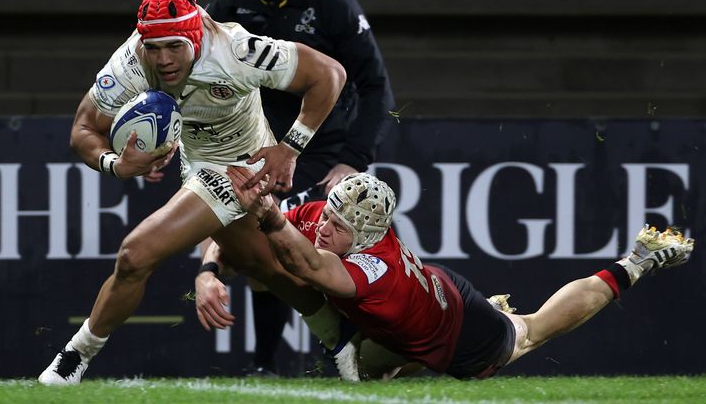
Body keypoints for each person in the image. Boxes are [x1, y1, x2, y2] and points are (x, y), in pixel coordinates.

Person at [37, 0, 349, 385]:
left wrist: (289, 149)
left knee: (135, 254)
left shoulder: (236, 50)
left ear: (196, 36)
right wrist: (118, 164)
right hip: (196, 160)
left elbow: (330, 74)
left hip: (241, 167)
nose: (163, 59)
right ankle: (341, 337)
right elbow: (82, 129)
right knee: (264, 266)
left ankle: (74, 357)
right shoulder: (131, 62)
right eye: (153, 48)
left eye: (174, 46)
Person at [198, 168, 695, 380]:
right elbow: (245, 229)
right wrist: (210, 268)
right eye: (326, 217)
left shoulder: (375, 267)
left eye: (337, 225)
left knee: (532, 331)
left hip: (464, 335)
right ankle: (360, 346)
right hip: (431, 295)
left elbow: (301, 262)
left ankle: (634, 262)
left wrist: (268, 216)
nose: (323, 227)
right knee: (370, 364)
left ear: (366, 236)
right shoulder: (335, 222)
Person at [207, 0, 396, 375]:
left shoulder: (331, 3)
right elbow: (196, 75)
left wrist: (352, 158)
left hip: (321, 153)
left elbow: (376, 86)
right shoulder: (229, 2)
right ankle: (268, 363)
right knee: (258, 242)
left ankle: (352, 346)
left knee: (299, 242)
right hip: (259, 148)